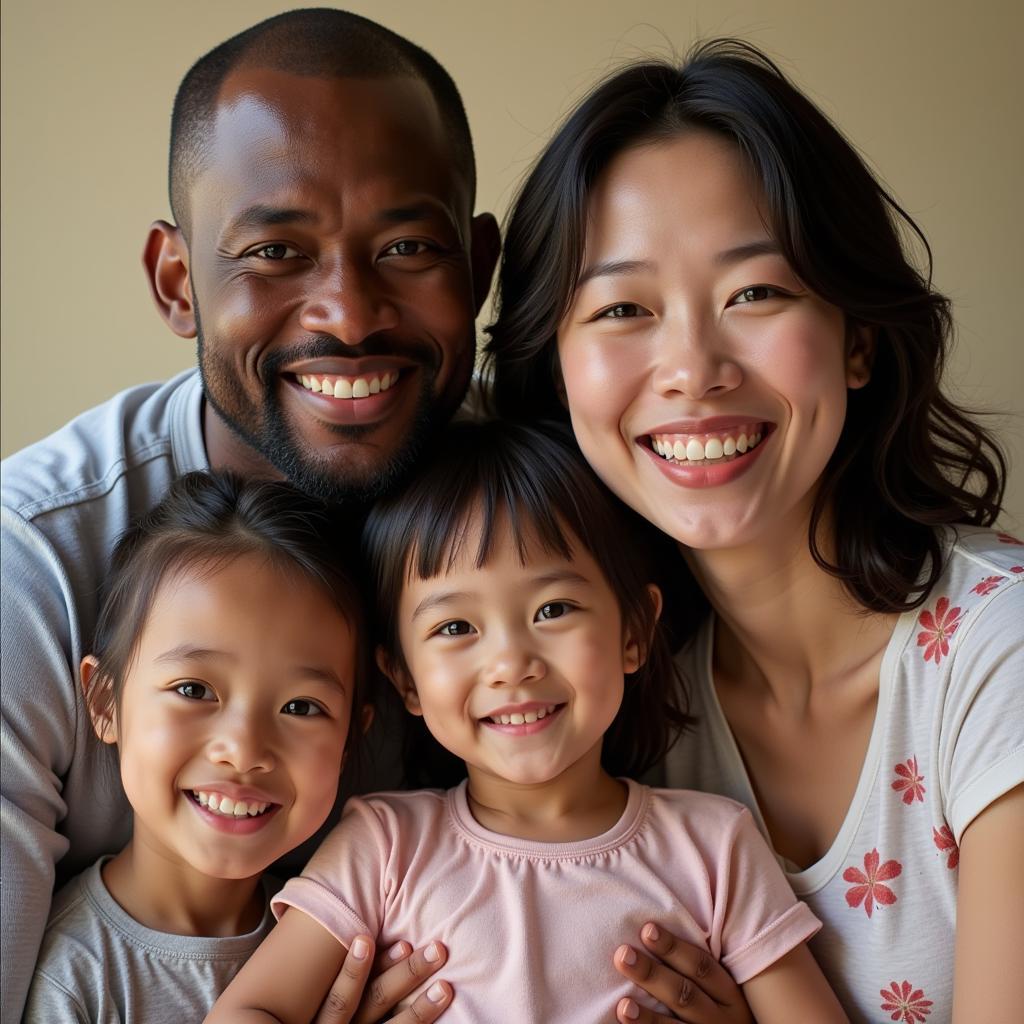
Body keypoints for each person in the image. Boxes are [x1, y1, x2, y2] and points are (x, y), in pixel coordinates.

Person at [486, 39, 1024, 1023]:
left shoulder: (999, 653)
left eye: (755, 292)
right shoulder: (610, 702)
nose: (692, 366)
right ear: (554, 379)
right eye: (622, 308)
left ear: (856, 339)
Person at [0, 8, 499, 1020]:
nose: (349, 314)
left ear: (478, 270)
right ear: (178, 280)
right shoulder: (34, 561)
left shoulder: (544, 516)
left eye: (407, 245)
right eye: (276, 251)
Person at [206, 419, 847, 1024]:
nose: (511, 663)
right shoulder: (383, 847)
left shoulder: (715, 848)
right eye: (456, 627)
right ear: (404, 678)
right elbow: (247, 1009)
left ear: (634, 630)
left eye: (554, 608)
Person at [24, 472, 374, 1022]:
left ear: (353, 734)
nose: (243, 748)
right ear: (104, 703)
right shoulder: (73, 981)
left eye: (302, 707)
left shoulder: (344, 944)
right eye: (193, 690)